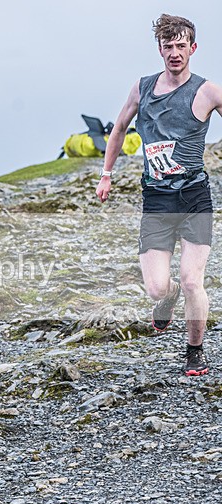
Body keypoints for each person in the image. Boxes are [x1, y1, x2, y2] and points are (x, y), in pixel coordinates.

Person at [96, 14, 222, 376]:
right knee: (156, 288)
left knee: (193, 280)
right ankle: (168, 297)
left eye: (181, 46)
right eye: (168, 46)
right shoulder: (142, 88)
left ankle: (195, 351)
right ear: (160, 50)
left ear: (192, 48)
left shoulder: (208, 91)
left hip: (195, 198)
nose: (175, 53)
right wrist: (106, 174)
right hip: (157, 200)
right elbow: (119, 128)